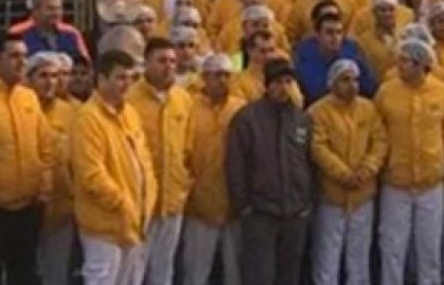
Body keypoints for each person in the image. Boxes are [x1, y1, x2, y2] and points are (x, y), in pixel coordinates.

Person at [0, 36, 54, 284]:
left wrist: (44, 184)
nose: (22, 62)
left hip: (29, 205)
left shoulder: (28, 97)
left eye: (25, 56)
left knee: (26, 272)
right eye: (15, 56)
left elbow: (45, 145)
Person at [69, 49, 157, 285]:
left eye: (130, 78)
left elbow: (144, 160)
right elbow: (91, 174)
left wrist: (148, 197)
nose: (126, 84)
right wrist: (123, 203)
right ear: (101, 79)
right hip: (104, 225)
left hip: (134, 223)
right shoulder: (87, 119)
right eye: (120, 77)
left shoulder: (130, 113)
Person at [227, 57, 314, 285]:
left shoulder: (302, 119)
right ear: (267, 85)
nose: (283, 87)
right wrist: (244, 206)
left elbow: (310, 162)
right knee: (260, 276)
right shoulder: (248, 118)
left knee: (289, 276)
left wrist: (306, 203)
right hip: (261, 213)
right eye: (277, 82)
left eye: (288, 81)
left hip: (295, 213)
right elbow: (236, 164)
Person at [374, 40, 444, 285]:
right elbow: (377, 133)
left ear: (421, 65)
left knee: (429, 248)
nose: (400, 65)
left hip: (431, 183)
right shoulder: (386, 92)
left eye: (406, 61)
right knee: (393, 246)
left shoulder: (443, 92)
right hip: (396, 182)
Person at [308, 60, 389, 285]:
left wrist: (367, 169)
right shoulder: (318, 112)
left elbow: (380, 141)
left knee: (359, 257)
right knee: (327, 257)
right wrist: (344, 174)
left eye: (355, 80)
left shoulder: (368, 108)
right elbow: (318, 148)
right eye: (345, 80)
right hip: (331, 196)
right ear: (332, 83)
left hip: (363, 194)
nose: (352, 85)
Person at [125, 39, 193, 284]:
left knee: (164, 267)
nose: (168, 66)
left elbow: (188, 148)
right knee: (135, 268)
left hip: (173, 198)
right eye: (161, 61)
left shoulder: (183, 99)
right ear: (146, 63)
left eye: (172, 61)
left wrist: (184, 183)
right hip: (141, 200)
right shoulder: (129, 100)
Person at [182, 55, 245, 285]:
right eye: (216, 75)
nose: (222, 80)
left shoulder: (240, 108)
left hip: (234, 205)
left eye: (226, 75)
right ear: (204, 77)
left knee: (235, 273)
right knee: (196, 273)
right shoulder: (189, 107)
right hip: (200, 206)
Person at [27, 53, 78, 285]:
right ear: (29, 79)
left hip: (61, 208)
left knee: (57, 273)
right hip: (25, 207)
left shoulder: (71, 112)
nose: (50, 82)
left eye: (55, 76)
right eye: (43, 76)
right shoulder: (21, 109)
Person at [294, 11, 378, 103]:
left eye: (339, 32)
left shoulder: (355, 61)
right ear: (318, 35)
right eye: (329, 33)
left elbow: (371, 90)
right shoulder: (306, 66)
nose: (335, 37)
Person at [9, 0, 91, 62]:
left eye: (59, 8)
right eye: (50, 9)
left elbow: (84, 64)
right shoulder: (18, 33)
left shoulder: (71, 33)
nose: (56, 13)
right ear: (35, 11)